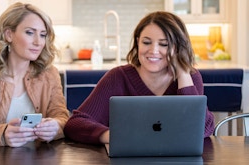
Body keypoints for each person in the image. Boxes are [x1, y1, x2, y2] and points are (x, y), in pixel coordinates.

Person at [64, 11, 215, 144]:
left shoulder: (190, 78)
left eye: (164, 44)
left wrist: (182, 72)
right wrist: (111, 136)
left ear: (178, 48)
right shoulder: (117, 77)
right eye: (146, 42)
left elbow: (204, 129)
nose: (153, 50)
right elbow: (75, 124)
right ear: (138, 42)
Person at [0, 2, 69, 147]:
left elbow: (62, 116)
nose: (38, 42)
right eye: (29, 32)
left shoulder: (50, 74)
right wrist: (2, 133)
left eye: (43, 35)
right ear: (9, 34)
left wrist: (56, 126)